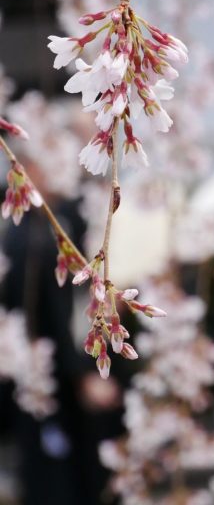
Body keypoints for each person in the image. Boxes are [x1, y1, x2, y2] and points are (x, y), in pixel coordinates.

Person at [0, 161, 123, 504]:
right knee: (56, 476)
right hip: (44, 374)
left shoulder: (44, 227)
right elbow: (50, 317)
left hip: (46, 370)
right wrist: (81, 375)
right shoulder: (33, 239)